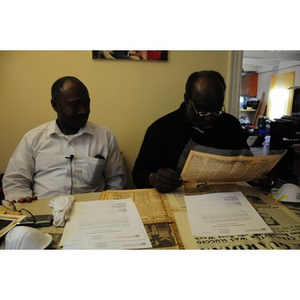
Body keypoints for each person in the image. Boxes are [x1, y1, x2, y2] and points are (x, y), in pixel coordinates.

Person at [3, 76, 126, 202]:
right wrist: (23, 199)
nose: (83, 111)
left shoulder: (105, 137)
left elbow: (116, 181)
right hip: (44, 211)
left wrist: (108, 206)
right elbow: (15, 180)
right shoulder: (33, 138)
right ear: (55, 105)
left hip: (91, 211)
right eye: (75, 105)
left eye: (86, 104)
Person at [132, 70, 251, 193]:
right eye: (202, 110)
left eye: (216, 110)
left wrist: (260, 178)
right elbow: (138, 174)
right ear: (187, 100)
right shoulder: (161, 129)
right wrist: (153, 178)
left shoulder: (231, 125)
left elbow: (246, 164)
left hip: (224, 199)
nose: (209, 117)